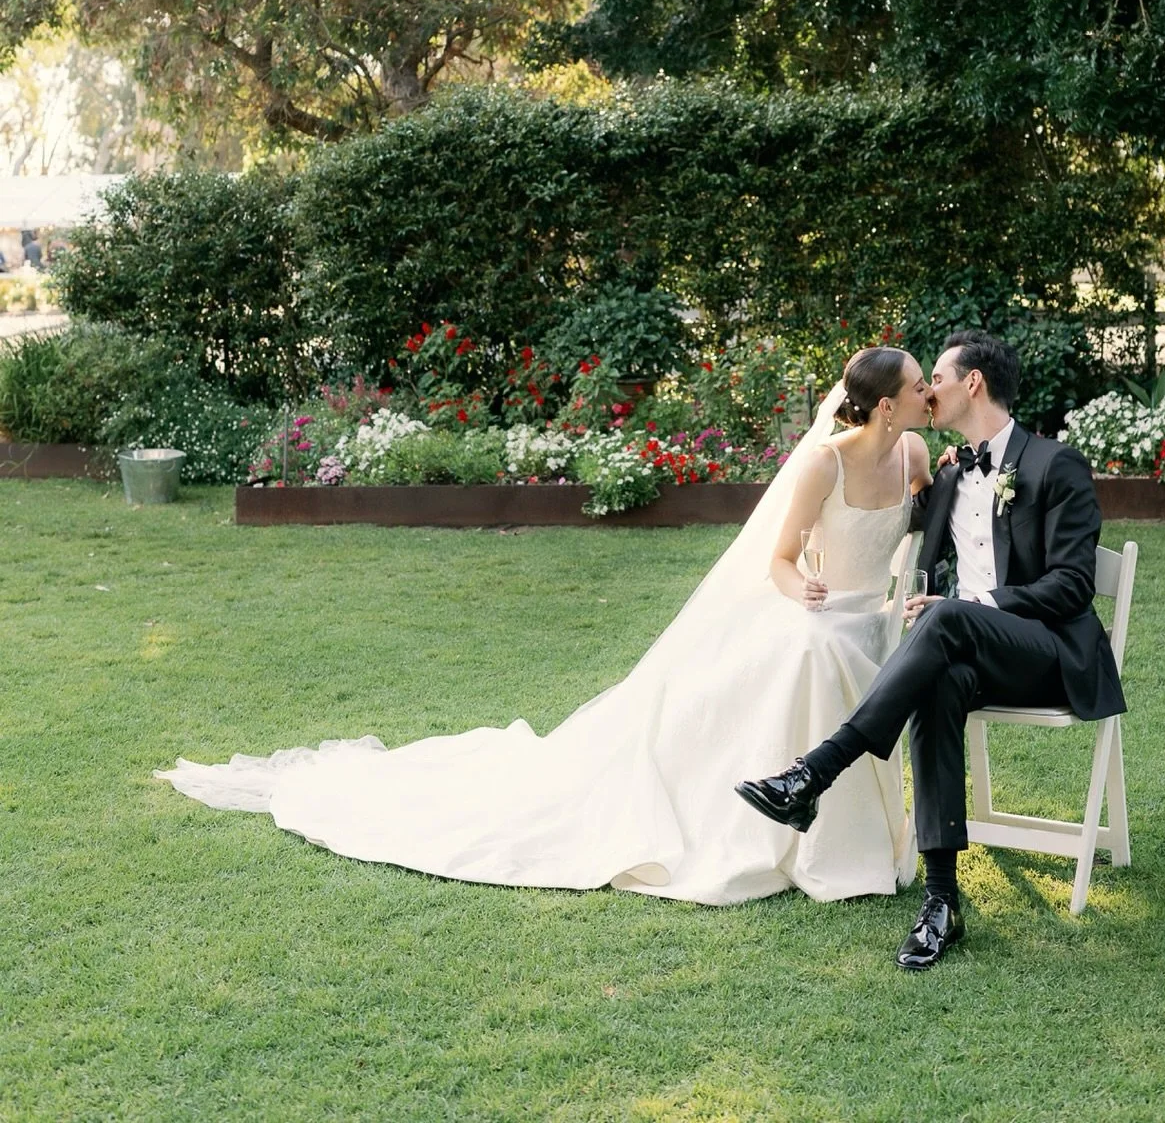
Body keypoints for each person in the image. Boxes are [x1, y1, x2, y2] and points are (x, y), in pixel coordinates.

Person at [155, 347, 934, 905]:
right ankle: (801, 829)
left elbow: (920, 532)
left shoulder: (915, 455)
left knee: (828, 650)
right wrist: (805, 591)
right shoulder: (823, 462)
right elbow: (781, 561)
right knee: (810, 650)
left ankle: (829, 817)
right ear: (885, 405)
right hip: (818, 615)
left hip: (872, 618)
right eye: (918, 385)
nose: (928, 392)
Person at [736, 329, 1125, 967]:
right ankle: (942, 901)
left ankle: (815, 771)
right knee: (938, 676)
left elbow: (1073, 585)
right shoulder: (945, 475)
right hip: (971, 653)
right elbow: (894, 522)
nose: (929, 392)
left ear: (973, 382)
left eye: (936, 379)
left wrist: (974, 605)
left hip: (1049, 655)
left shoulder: (1056, 465)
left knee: (946, 620)